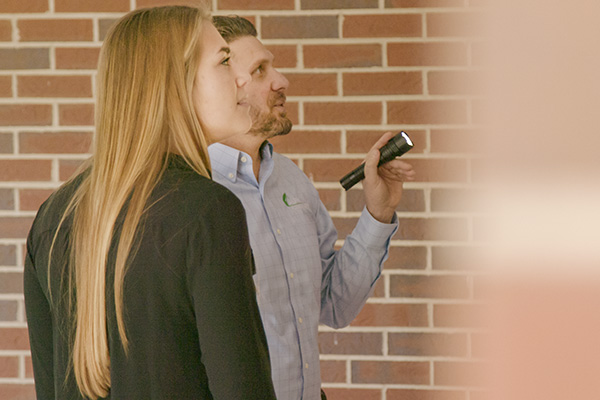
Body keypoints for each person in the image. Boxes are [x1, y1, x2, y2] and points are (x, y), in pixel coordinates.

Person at [23, 6, 276, 400]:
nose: (241, 79)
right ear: (175, 81)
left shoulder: (53, 218)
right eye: (224, 62)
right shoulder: (207, 211)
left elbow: (50, 385)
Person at [211, 16, 416, 400]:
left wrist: (377, 213)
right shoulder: (194, 194)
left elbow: (334, 305)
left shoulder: (292, 180)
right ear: (220, 86)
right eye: (260, 70)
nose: (281, 80)